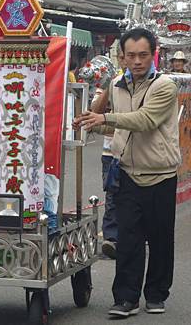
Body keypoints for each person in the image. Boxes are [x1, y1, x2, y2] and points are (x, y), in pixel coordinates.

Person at [74, 28, 180, 318]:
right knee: (128, 239)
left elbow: (145, 120)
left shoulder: (164, 86)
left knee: (159, 238)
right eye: (130, 55)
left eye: (143, 55)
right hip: (128, 172)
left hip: (160, 173)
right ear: (122, 57)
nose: (137, 61)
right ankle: (126, 299)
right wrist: (93, 123)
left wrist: (105, 116)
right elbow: (121, 126)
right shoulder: (119, 85)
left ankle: (156, 294)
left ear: (153, 54)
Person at [90, 49, 125, 260]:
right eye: (125, 56)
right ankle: (111, 239)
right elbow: (94, 111)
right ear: (120, 59)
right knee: (112, 195)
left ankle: (133, 237)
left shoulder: (148, 85)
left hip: (137, 151)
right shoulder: (107, 83)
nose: (131, 61)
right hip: (110, 151)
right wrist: (109, 87)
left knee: (134, 197)